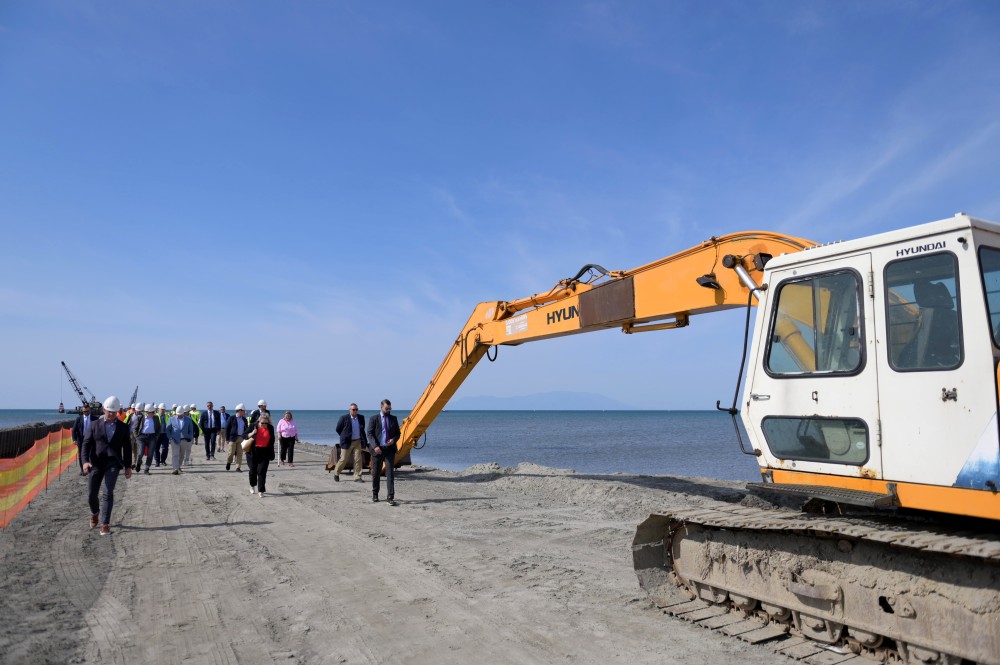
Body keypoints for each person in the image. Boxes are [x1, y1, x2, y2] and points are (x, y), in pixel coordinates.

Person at [82, 395, 133, 535]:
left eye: (114, 412)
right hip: (96, 462)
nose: (111, 414)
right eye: (109, 411)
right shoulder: (94, 425)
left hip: (113, 463)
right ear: (104, 409)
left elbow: (127, 448)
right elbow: (86, 444)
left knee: (107, 492)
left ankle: (105, 523)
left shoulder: (123, 427)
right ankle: (95, 513)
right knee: (91, 494)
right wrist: (85, 461)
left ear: (118, 412)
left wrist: (128, 466)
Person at [366, 399, 400, 506]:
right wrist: (375, 446)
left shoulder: (393, 418)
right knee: (376, 473)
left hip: (389, 449)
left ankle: (390, 497)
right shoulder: (374, 419)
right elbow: (370, 434)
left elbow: (398, 433)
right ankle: (375, 494)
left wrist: (393, 439)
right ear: (381, 407)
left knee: (390, 473)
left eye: (390, 408)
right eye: (386, 408)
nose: (388, 410)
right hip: (377, 449)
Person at [332, 403, 367, 482]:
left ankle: (357, 477)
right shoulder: (344, 418)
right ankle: (336, 473)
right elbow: (338, 429)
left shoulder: (361, 418)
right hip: (347, 442)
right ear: (349, 410)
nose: (355, 411)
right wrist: (344, 436)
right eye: (353, 409)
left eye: (356, 409)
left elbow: (362, 430)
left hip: (358, 441)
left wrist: (364, 441)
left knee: (358, 459)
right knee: (343, 459)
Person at [247, 413, 275, 496]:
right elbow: (244, 435)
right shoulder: (253, 426)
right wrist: (252, 433)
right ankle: (252, 485)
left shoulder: (270, 428)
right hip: (253, 451)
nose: (264, 424)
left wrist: (272, 453)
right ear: (259, 421)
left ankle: (261, 490)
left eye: (266, 423)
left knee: (262, 471)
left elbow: (272, 441)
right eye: (262, 423)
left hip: (265, 452)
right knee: (253, 470)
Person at [166, 406, 195, 475]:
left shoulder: (188, 420)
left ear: (183, 413)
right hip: (174, 440)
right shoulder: (171, 419)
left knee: (182, 455)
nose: (179, 416)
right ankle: (175, 468)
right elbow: (168, 429)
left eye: (180, 414)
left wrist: (190, 437)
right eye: (178, 414)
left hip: (184, 440)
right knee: (175, 454)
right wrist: (170, 438)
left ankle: (178, 466)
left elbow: (191, 430)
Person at [133, 403, 161, 474]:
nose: (153, 413)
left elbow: (159, 428)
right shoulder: (140, 418)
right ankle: (138, 463)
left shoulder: (156, 418)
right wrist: (136, 437)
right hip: (141, 437)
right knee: (140, 453)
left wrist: (156, 436)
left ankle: (146, 469)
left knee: (150, 453)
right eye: (152, 412)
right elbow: (135, 428)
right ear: (147, 412)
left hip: (152, 437)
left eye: (153, 412)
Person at [71, 404, 94, 476]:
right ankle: (83, 470)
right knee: (81, 455)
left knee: (91, 454)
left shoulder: (95, 419)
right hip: (81, 440)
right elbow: (74, 430)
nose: (85, 413)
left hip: (91, 439)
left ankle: (91, 468)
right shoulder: (78, 419)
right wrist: (74, 439)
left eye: (87, 411)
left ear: (89, 410)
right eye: (84, 411)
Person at [225, 404, 248, 471]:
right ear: (239, 411)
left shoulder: (244, 419)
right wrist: (227, 438)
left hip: (241, 438)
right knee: (231, 452)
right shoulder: (231, 418)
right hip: (232, 438)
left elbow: (246, 429)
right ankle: (229, 462)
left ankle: (238, 467)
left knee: (239, 453)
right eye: (243, 411)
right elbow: (227, 428)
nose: (244, 412)